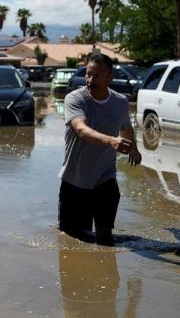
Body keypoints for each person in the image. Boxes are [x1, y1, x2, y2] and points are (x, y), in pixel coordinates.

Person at [59, 52, 141, 244]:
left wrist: (134, 149)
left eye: (96, 75)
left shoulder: (120, 102)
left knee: (105, 238)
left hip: (105, 178)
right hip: (74, 181)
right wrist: (112, 142)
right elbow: (81, 130)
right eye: (88, 74)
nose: (90, 80)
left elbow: (126, 127)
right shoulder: (74, 99)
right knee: (73, 239)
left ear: (109, 78)